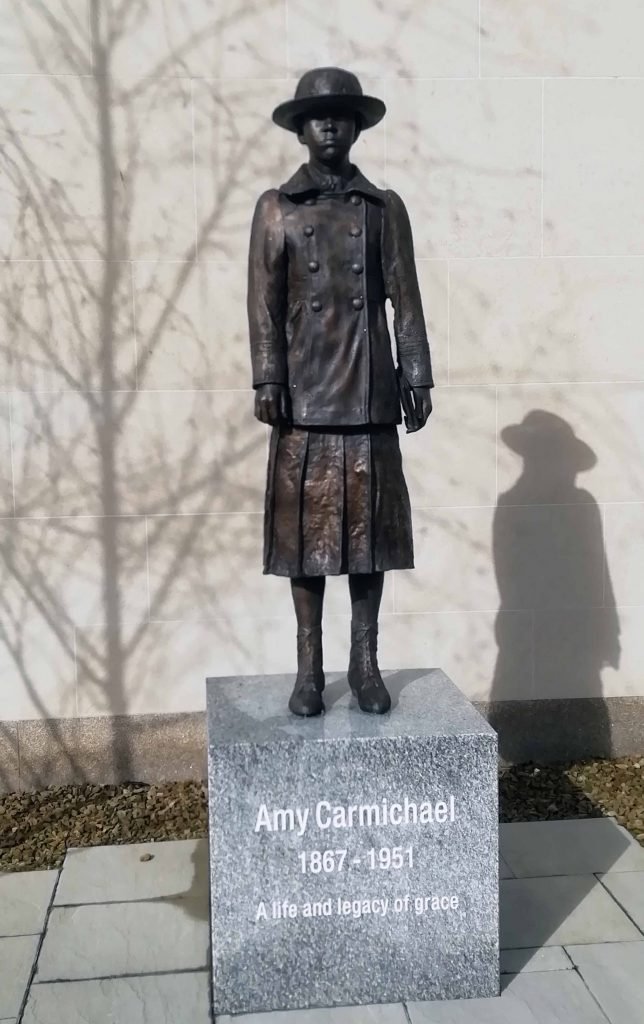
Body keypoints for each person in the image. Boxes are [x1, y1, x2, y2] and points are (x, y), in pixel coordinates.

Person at [247, 67, 433, 717]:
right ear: (301, 130)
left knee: (368, 537)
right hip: (304, 396)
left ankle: (365, 662)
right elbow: (263, 304)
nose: (329, 124)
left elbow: (406, 297)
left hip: (367, 392)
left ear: (356, 127)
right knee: (304, 539)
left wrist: (416, 373)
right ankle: (308, 668)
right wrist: (268, 376)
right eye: (316, 116)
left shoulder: (382, 209)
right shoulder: (277, 208)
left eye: (341, 115)